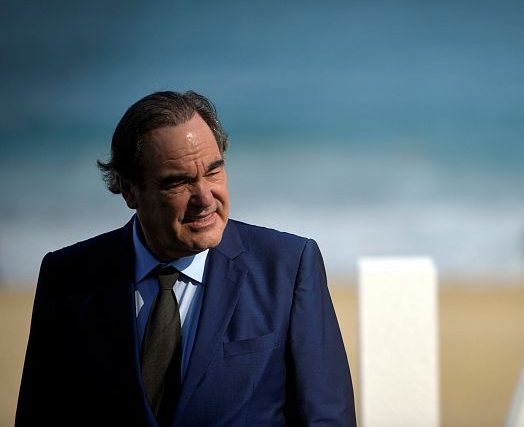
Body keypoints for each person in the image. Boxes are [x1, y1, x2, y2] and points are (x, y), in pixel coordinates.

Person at [16, 91, 357, 426]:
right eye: (178, 182)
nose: (205, 198)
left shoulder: (288, 266)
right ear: (129, 189)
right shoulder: (67, 277)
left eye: (213, 172)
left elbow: (325, 418)